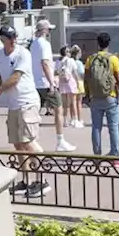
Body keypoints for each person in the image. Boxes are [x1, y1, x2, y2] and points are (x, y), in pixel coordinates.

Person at [0, 25, 50, 197]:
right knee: (17, 144)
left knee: (27, 141)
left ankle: (42, 180)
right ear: (3, 39)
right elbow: (2, 76)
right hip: (13, 104)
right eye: (10, 37)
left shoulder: (23, 53)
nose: (14, 40)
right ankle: (25, 181)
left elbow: (15, 78)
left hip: (27, 102)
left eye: (14, 37)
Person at [30, 19, 74, 152]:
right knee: (58, 110)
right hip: (45, 82)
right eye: (49, 29)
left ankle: (33, 139)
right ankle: (60, 140)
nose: (50, 32)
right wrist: (51, 83)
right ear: (44, 30)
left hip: (35, 82)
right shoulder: (45, 44)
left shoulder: (33, 44)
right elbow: (45, 63)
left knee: (35, 112)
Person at [83, 33, 119, 157]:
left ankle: (97, 156)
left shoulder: (91, 59)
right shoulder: (113, 59)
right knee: (113, 128)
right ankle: (115, 156)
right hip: (110, 96)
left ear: (98, 43)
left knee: (96, 127)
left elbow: (86, 78)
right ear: (109, 43)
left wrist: (87, 95)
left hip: (95, 97)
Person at [56, 46, 82, 129]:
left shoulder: (58, 62)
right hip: (70, 82)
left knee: (64, 103)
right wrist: (78, 82)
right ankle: (74, 120)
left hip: (62, 82)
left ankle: (64, 120)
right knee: (73, 102)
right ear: (67, 53)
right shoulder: (71, 60)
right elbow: (75, 72)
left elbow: (56, 72)